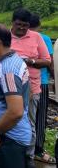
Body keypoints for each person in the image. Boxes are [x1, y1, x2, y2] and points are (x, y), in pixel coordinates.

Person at [0, 23, 31, 168]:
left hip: (9, 138)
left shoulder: (9, 69)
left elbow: (15, 111)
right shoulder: (9, 61)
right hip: (6, 135)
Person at [10, 9, 51, 167]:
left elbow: (46, 61)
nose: (21, 28)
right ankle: (14, 154)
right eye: (18, 24)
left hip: (32, 87)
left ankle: (29, 156)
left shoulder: (36, 37)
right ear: (12, 22)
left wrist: (30, 61)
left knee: (29, 123)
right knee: (12, 120)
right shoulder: (5, 36)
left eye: (25, 25)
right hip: (10, 88)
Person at [30, 14, 56, 165]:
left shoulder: (20, 37)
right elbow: (49, 62)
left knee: (27, 116)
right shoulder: (44, 38)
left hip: (25, 82)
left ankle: (26, 147)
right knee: (40, 117)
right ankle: (38, 149)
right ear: (38, 25)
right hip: (42, 82)